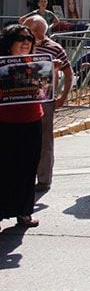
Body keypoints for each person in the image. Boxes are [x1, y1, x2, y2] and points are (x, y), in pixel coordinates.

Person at [23, 16, 73, 191]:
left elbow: (68, 73)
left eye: (29, 30)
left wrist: (63, 97)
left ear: (38, 31)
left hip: (45, 99)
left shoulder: (54, 48)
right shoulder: (20, 46)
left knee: (45, 139)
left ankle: (44, 179)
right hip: (20, 99)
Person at [0, 24, 42, 228]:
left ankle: (24, 211)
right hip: (6, 122)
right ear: (9, 43)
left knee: (28, 168)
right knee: (5, 169)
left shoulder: (37, 64)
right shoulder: (2, 65)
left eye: (29, 39)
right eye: (20, 38)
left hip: (32, 119)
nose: (26, 42)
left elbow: (44, 92)